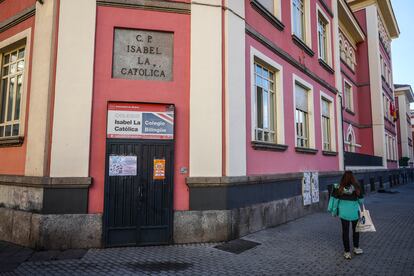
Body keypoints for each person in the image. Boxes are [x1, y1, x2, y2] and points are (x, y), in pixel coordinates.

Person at [327, 170, 364, 260]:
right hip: (354, 212)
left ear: (343, 178)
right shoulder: (357, 187)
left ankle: (347, 252)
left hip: (344, 213)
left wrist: (334, 212)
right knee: (356, 230)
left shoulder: (339, 187)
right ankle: (356, 248)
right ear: (353, 178)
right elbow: (361, 201)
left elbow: (335, 201)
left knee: (345, 232)